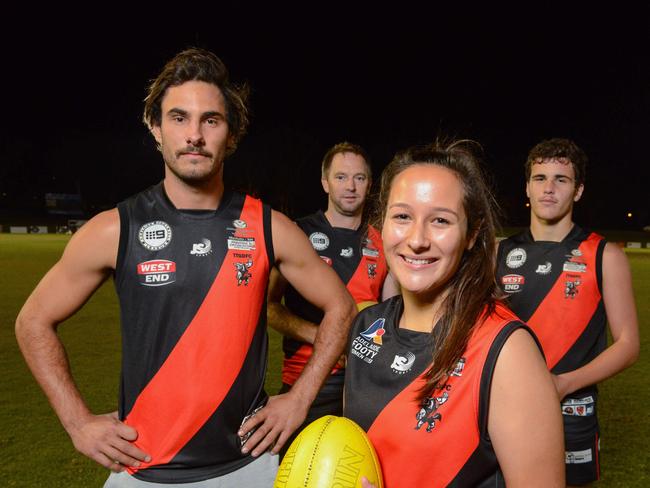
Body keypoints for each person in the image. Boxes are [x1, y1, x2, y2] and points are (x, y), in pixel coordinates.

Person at [15, 48, 356, 487]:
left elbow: (341, 307)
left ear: (230, 135)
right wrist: (77, 422)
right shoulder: (115, 229)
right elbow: (32, 321)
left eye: (210, 120)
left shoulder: (270, 227)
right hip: (142, 466)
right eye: (179, 118)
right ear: (155, 128)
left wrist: (299, 398)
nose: (194, 134)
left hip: (249, 466)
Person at [343, 140, 565, 487]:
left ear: (472, 234)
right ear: (381, 224)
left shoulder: (506, 350)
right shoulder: (366, 327)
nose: (417, 240)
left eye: (441, 221)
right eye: (402, 216)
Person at [496, 138, 639, 486]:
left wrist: (563, 384)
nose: (549, 188)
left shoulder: (605, 255)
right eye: (540, 178)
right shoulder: (497, 253)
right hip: (502, 406)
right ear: (527, 186)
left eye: (561, 179)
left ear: (578, 191)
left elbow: (628, 344)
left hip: (572, 409)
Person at [267, 142, 395, 456]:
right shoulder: (298, 235)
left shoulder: (383, 243)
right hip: (306, 381)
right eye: (340, 177)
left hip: (363, 385)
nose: (350, 186)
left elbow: (392, 315)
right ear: (325, 182)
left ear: (369, 184)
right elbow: (266, 308)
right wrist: (322, 337)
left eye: (359, 178)